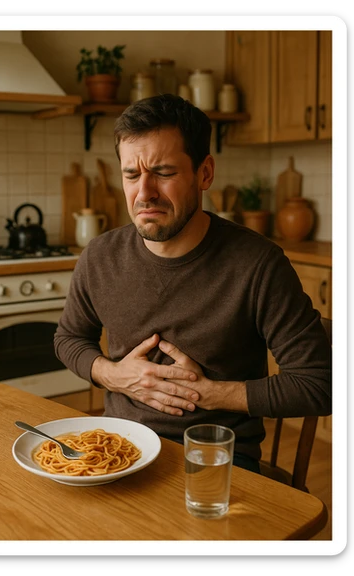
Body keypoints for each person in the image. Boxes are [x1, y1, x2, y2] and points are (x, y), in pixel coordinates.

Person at [54, 94, 332, 473]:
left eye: (163, 173)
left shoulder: (257, 264)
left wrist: (211, 393)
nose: (144, 193)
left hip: (217, 463)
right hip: (120, 453)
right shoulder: (100, 255)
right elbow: (68, 339)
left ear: (205, 173)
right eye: (131, 175)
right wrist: (114, 375)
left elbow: (319, 384)